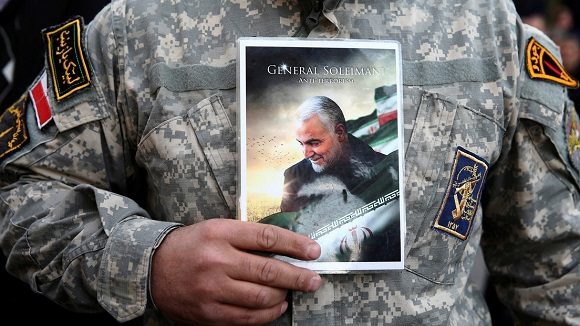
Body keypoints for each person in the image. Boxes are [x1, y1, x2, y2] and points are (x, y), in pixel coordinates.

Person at [0, 1, 579, 326]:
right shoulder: (137, 28)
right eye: (301, 145)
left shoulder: (487, 29)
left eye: (317, 142)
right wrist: (146, 263)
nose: (308, 153)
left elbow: (559, 266)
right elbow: (26, 191)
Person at [280, 95, 388, 213]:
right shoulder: (294, 178)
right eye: (301, 144)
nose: (306, 154)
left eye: (314, 143)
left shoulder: (386, 170)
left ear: (340, 133)